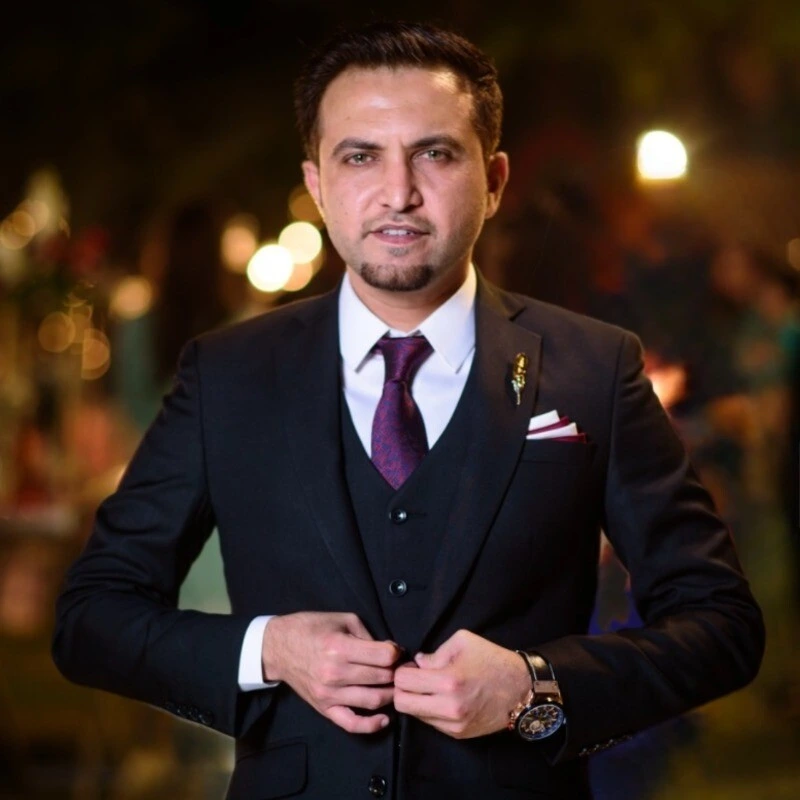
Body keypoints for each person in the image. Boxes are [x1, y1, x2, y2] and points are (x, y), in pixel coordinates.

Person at [53, 21, 765, 800]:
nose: (398, 192)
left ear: (494, 181)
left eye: (436, 153)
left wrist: (537, 687)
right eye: (360, 156)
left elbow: (721, 623)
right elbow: (92, 617)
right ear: (317, 183)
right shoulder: (228, 375)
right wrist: (270, 650)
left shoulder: (594, 367)